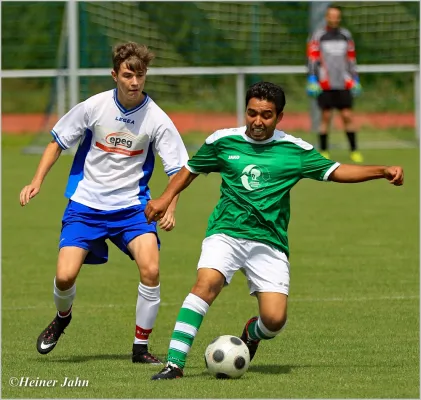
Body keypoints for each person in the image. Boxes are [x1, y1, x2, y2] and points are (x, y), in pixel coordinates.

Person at [144, 81, 404, 380]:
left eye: (266, 115)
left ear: (279, 117)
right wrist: (165, 198)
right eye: (252, 113)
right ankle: (175, 364)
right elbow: (190, 169)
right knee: (206, 284)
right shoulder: (222, 142)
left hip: (269, 242)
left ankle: (251, 334)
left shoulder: (294, 151)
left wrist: (381, 171)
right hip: (226, 232)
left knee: (274, 320)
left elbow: (336, 171)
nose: (257, 121)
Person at [19, 42, 189, 364]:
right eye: (128, 75)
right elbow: (57, 142)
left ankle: (140, 348)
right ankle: (63, 317)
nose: (135, 82)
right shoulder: (94, 107)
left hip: (133, 208)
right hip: (86, 205)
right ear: (115, 75)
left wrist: (170, 205)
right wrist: (36, 181)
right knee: (65, 277)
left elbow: (180, 168)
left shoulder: (156, 118)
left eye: (140, 75)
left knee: (151, 269)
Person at [306, 4, 363, 163]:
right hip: (325, 84)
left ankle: (354, 150)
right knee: (325, 117)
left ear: (339, 17)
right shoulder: (318, 35)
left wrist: (355, 78)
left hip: (343, 83)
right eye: (331, 15)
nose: (334, 18)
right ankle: (324, 150)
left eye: (336, 15)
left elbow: (351, 58)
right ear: (327, 17)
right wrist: (312, 78)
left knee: (347, 116)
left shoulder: (346, 35)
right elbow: (312, 58)